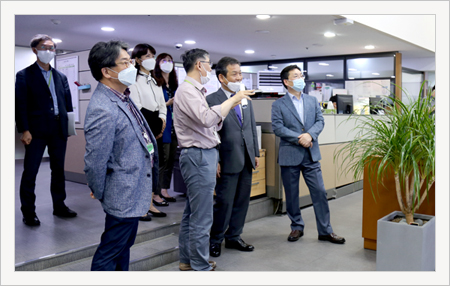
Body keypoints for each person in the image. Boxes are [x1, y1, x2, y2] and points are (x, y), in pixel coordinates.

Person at [173, 48, 253, 271]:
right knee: (202, 216)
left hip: (203, 153)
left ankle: (188, 260)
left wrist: (229, 105)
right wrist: (233, 100)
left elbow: (210, 123)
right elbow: (208, 119)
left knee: (193, 213)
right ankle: (199, 263)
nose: (210, 67)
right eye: (208, 63)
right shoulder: (188, 91)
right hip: (198, 155)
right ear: (200, 65)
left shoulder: (195, 90)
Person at [84, 40, 158, 271]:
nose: (131, 67)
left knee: (122, 247)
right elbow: (95, 160)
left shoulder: (122, 95)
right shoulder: (102, 107)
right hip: (122, 192)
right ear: (106, 71)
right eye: (125, 62)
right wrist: (101, 191)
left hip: (133, 188)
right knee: (111, 250)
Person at [271, 65, 345, 244]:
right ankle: (296, 226)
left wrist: (310, 135)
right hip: (290, 155)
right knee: (292, 194)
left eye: (301, 75)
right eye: (296, 76)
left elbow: (320, 120)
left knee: (319, 192)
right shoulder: (278, 104)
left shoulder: (312, 101)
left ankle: (325, 231)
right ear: (286, 82)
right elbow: (277, 127)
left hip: (311, 154)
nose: (300, 79)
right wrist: (299, 138)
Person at [15, 34, 77, 226]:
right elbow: (20, 105)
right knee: (30, 172)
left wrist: (68, 127)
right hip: (36, 131)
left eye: (52, 48)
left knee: (58, 170)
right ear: (35, 50)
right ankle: (28, 212)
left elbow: (67, 104)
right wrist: (24, 130)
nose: (49, 51)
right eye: (45, 47)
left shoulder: (60, 76)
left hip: (58, 129)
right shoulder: (24, 75)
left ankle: (59, 205)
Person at [206, 57, 259, 257]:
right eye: (234, 73)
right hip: (226, 157)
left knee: (242, 201)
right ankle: (216, 239)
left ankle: (234, 236)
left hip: (246, 157)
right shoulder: (212, 100)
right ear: (222, 77)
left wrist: (254, 152)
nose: (239, 77)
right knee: (224, 202)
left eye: (240, 72)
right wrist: (216, 159)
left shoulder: (244, 97)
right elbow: (210, 132)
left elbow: (251, 126)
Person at [129, 43, 168, 220]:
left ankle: (150, 202)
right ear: (137, 60)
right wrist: (153, 127)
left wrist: (162, 122)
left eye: (153, 55)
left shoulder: (156, 80)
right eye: (147, 56)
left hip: (156, 125)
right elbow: (137, 108)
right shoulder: (133, 79)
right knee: (142, 167)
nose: (151, 59)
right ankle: (140, 205)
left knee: (154, 166)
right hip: (143, 126)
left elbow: (162, 105)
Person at [152, 53, 178, 203]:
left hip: (175, 126)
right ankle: (155, 194)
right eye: (164, 60)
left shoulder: (174, 83)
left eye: (170, 60)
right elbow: (152, 106)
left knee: (171, 160)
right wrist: (167, 104)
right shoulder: (155, 83)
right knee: (163, 159)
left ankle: (164, 189)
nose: (167, 63)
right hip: (162, 126)